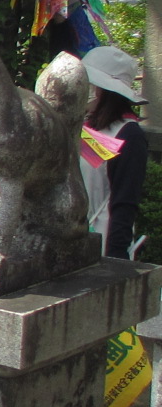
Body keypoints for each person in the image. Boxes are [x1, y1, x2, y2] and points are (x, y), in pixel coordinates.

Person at [81, 45, 149, 258]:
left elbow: (124, 203)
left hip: (102, 246)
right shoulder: (82, 125)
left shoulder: (129, 135)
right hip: (69, 239)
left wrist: (115, 260)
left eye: (89, 82)